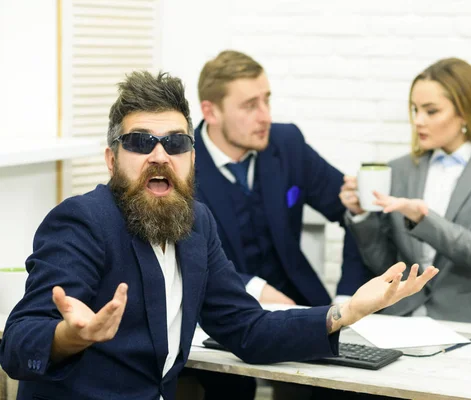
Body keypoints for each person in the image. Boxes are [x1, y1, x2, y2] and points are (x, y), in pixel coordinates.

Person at [0, 71, 438, 400]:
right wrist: (70, 337)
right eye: (139, 142)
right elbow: (19, 344)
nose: (159, 155)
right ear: (112, 161)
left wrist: (346, 312)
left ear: (191, 158)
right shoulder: (82, 222)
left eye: (175, 143)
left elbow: (246, 328)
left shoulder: (196, 223)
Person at [340, 58, 471, 327]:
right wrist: (362, 216)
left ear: (465, 112)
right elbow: (384, 265)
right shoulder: (398, 170)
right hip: (401, 321)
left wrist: (421, 218)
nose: (418, 121)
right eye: (414, 109)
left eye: (431, 111)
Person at [193, 50, 373, 308]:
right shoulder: (180, 165)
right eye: (250, 106)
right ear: (211, 112)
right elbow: (185, 260)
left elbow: (354, 212)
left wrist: (347, 297)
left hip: (304, 308)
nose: (265, 116)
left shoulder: (287, 145)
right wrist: (256, 290)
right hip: (224, 315)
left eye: (267, 100)